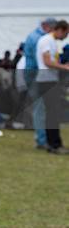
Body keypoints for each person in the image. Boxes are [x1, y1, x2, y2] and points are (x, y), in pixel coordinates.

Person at [35, 20, 69, 154]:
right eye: (66, 33)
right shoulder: (46, 41)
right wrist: (65, 67)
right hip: (46, 80)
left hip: (50, 79)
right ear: (60, 29)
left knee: (52, 113)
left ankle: (54, 143)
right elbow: (47, 61)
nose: (65, 36)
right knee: (52, 113)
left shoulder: (52, 42)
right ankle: (54, 144)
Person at [24, 18, 56, 149]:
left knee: (40, 107)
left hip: (35, 74)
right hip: (36, 75)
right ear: (46, 26)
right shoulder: (39, 39)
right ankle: (41, 139)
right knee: (40, 107)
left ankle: (42, 137)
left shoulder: (36, 36)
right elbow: (42, 60)